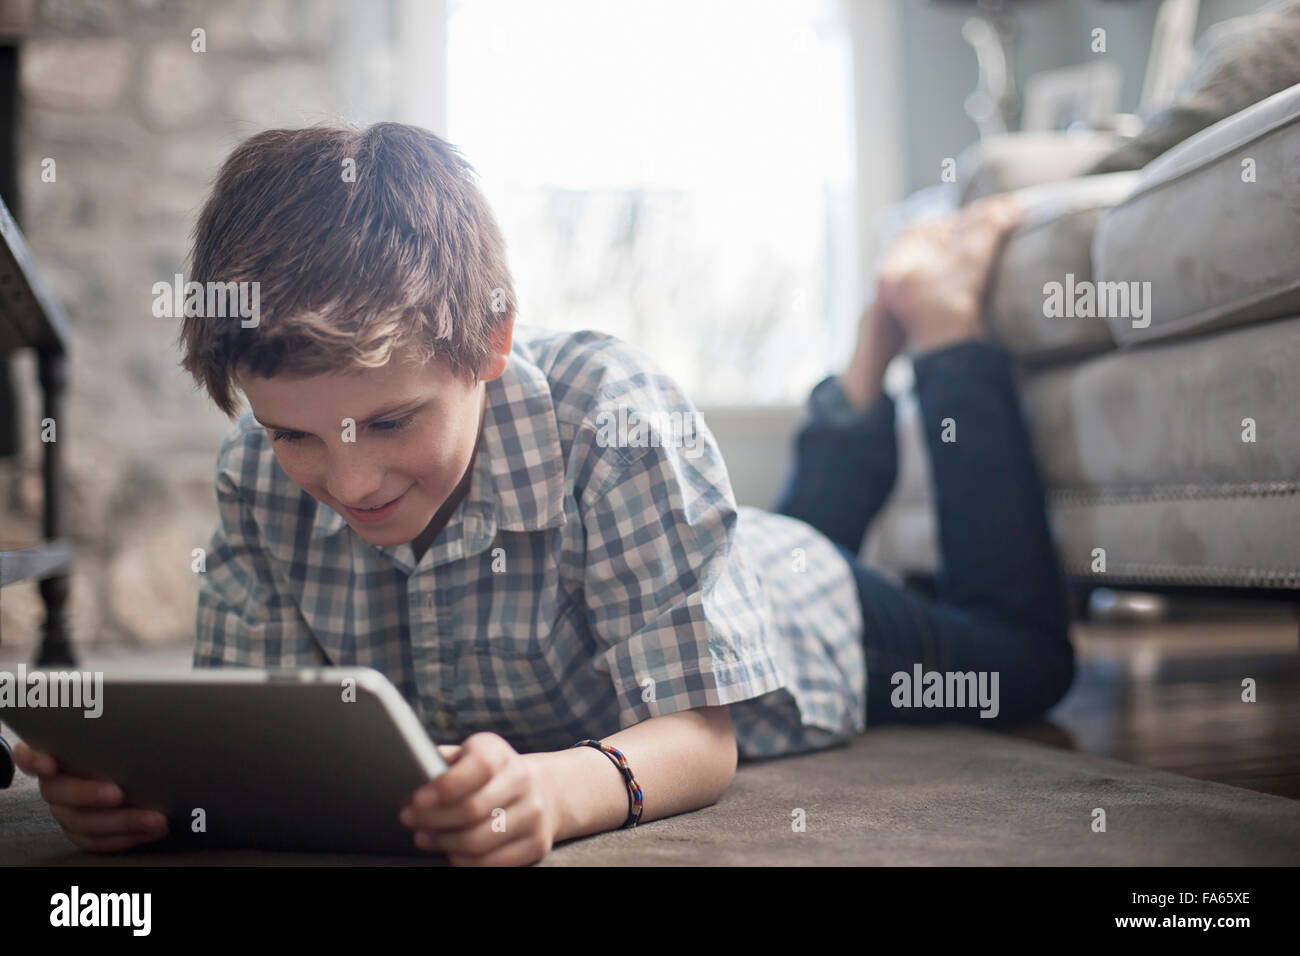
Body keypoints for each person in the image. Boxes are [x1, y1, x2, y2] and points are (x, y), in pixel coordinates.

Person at [13, 123, 1072, 866]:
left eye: (391, 421)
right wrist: (150, 793)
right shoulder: (255, 473)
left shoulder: (615, 411)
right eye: (295, 432)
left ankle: (930, 324)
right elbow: (248, 736)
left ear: (490, 341)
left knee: (1019, 659)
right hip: (682, 556)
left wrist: (555, 790)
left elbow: (702, 735)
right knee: (758, 527)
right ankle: (856, 370)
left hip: (801, 606)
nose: (349, 480)